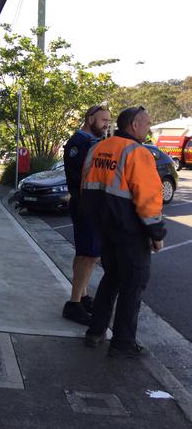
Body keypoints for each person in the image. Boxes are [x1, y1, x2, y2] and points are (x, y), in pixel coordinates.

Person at [82, 106, 166, 358]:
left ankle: (95, 332)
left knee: (112, 278)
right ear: (134, 125)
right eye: (148, 124)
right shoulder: (138, 153)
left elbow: (85, 186)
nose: (149, 128)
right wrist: (156, 233)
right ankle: (122, 344)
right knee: (133, 284)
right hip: (130, 230)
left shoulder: (98, 147)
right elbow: (148, 198)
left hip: (104, 227)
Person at [62, 104, 112, 325]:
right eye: (103, 120)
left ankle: (81, 296)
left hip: (90, 206)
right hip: (85, 206)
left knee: (87, 254)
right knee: (89, 255)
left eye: (108, 121)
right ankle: (74, 304)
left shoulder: (92, 143)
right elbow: (84, 175)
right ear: (90, 119)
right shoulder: (78, 144)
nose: (106, 125)